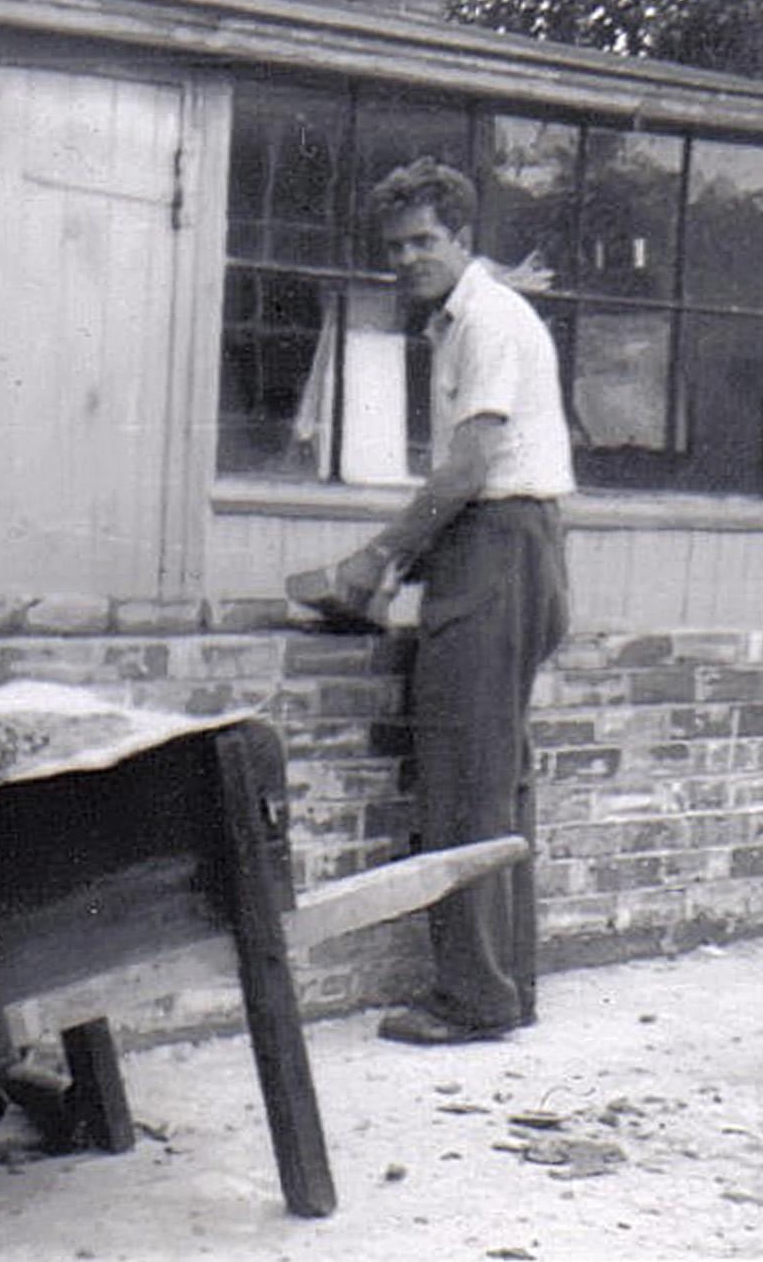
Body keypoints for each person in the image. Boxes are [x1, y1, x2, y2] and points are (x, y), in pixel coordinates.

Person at [291, 157, 574, 1045]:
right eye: (395, 245)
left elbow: (468, 467)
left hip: (499, 546)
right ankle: (505, 989)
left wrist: (378, 556)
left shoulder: (486, 321)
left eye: (425, 240)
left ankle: (475, 999)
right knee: (493, 779)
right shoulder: (469, 314)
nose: (407, 257)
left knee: (464, 781)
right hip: (494, 550)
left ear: (461, 238)